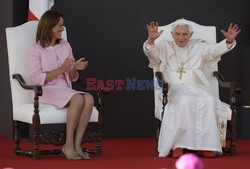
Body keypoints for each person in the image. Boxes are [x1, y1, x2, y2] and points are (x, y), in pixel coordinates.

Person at [143, 19, 241, 158]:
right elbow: (150, 53)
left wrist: (229, 41)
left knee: (208, 100)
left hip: (197, 86)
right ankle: (178, 145)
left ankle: (206, 146)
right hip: (174, 87)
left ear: (191, 34)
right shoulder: (164, 46)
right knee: (185, 100)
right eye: (177, 34)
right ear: (172, 34)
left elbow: (216, 50)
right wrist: (151, 40)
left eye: (184, 34)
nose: (181, 38)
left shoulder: (199, 47)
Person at [27, 10, 94, 160]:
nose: (62, 29)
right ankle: (68, 144)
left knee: (89, 99)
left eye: (62, 25)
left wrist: (75, 68)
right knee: (78, 98)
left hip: (63, 89)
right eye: (60, 25)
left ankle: (77, 145)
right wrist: (62, 69)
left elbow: (72, 77)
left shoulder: (65, 45)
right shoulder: (35, 49)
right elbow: (37, 78)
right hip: (44, 90)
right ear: (49, 26)